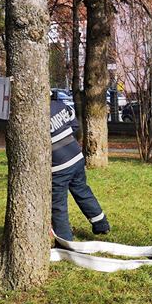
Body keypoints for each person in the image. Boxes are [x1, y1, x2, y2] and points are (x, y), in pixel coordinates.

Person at [51, 96, 110, 240]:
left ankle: (64, 240)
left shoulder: (35, 116)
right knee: (82, 190)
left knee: (58, 204)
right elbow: (75, 126)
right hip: (76, 157)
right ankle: (101, 224)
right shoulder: (60, 105)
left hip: (58, 166)